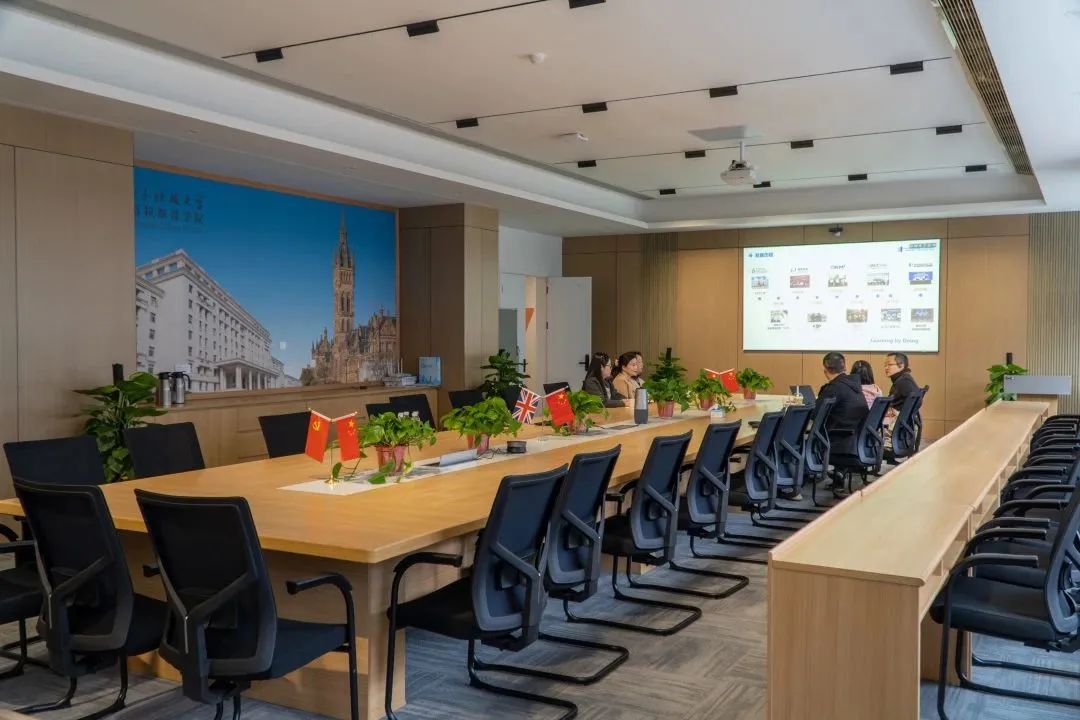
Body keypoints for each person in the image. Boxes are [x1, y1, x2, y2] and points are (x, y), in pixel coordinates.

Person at [817, 352, 869, 497]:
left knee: (799, 440)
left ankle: (792, 487)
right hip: (854, 442)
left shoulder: (833, 388)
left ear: (825, 370)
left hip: (839, 444)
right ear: (844, 367)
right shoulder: (855, 386)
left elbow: (816, 415)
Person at [883, 352, 919, 416]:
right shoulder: (902, 379)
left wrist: (899, 414)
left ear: (901, 366)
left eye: (890, 365)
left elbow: (918, 402)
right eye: (885, 365)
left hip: (897, 422)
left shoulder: (904, 382)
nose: (886, 368)